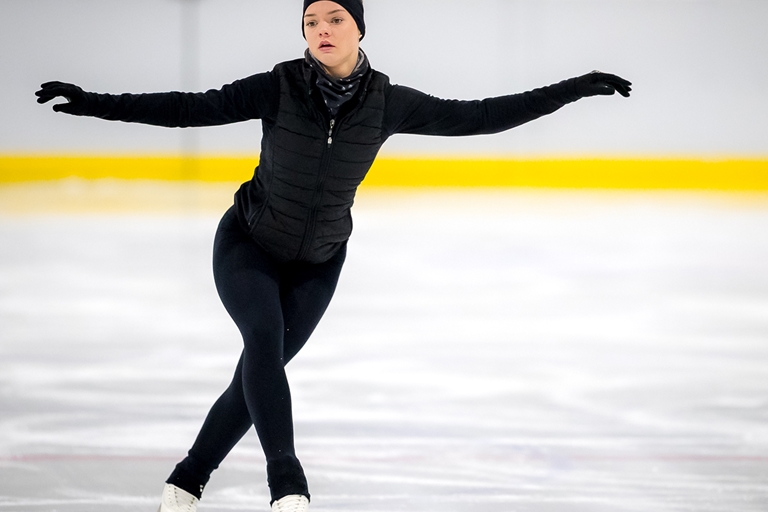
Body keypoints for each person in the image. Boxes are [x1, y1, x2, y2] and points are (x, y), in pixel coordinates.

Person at [35, 1, 632, 511]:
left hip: (320, 261)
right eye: (310, 20)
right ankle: (286, 485)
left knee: (259, 370)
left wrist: (573, 89)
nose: (321, 28)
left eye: (335, 17)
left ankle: (186, 481)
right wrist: (92, 103)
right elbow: (191, 107)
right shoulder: (279, 84)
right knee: (263, 343)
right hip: (248, 243)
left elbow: (479, 117)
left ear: (359, 29)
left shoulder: (388, 101)